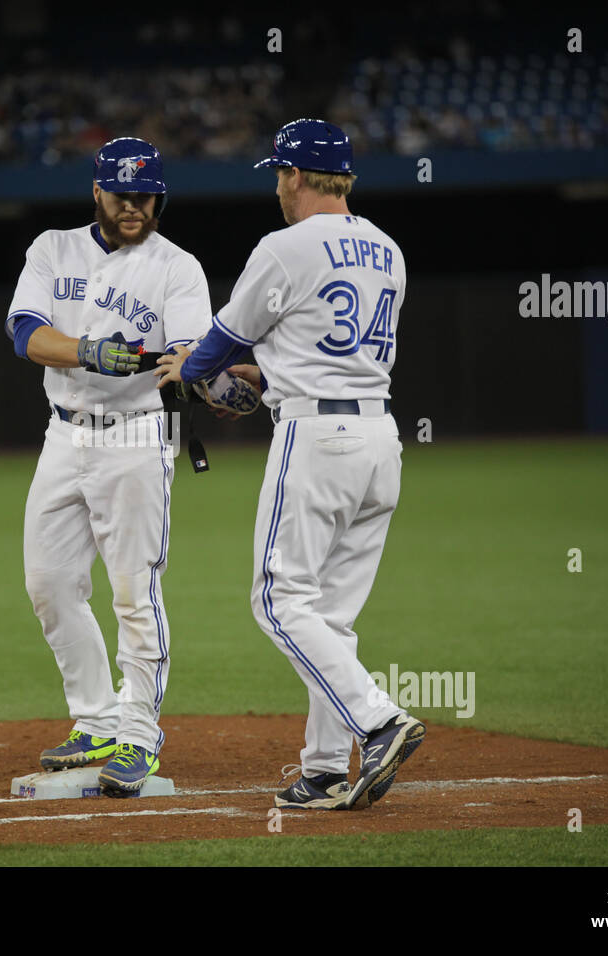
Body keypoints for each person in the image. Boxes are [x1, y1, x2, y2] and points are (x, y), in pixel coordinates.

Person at [155, 118, 425, 810]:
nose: (278, 185)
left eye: (280, 173)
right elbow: (318, 351)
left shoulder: (284, 247)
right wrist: (263, 376)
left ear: (297, 176)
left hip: (317, 441)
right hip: (379, 440)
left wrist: (191, 370)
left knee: (277, 599)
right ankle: (327, 767)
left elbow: (218, 344)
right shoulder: (387, 249)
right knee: (330, 613)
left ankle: (380, 720)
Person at [5, 137, 213, 796]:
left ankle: (139, 734)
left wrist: (184, 368)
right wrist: (90, 351)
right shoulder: (52, 248)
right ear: (97, 191)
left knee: (132, 590)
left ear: (159, 196)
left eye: (144, 194)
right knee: (49, 580)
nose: (133, 205)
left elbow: (185, 351)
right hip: (64, 437)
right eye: (121, 193)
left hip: (134, 437)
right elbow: (25, 334)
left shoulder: (176, 267)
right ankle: (94, 718)